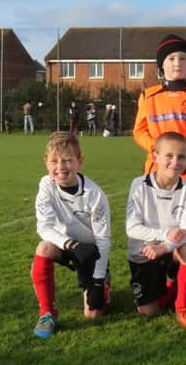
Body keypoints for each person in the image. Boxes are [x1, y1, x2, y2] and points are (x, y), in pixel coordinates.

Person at [133, 34, 186, 306]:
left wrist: (182, 155)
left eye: (182, 58)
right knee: (160, 230)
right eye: (171, 59)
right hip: (157, 178)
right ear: (161, 66)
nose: (177, 63)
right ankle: (166, 279)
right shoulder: (148, 95)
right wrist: (160, 153)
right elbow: (139, 131)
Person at [30, 132, 111, 338]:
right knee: (43, 248)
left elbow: (103, 240)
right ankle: (47, 313)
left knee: (93, 314)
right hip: (67, 246)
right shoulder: (46, 185)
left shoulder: (95, 195)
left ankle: (104, 287)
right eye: (54, 161)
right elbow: (45, 227)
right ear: (46, 162)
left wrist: (98, 279)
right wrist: (70, 244)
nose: (60, 167)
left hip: (91, 253)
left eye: (67, 160)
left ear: (79, 161)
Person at [126, 132, 186, 329]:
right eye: (169, 155)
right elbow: (131, 227)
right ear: (155, 156)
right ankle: (171, 288)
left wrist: (167, 246)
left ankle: (182, 308)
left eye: (181, 157)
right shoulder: (139, 185)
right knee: (149, 312)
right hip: (145, 252)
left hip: (170, 249)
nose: (174, 162)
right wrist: (163, 235)